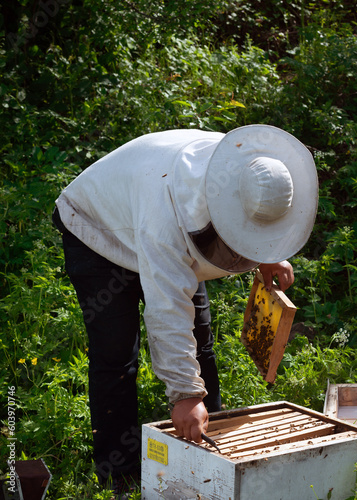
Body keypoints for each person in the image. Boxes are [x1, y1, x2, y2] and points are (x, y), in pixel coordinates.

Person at [52, 124, 318, 496]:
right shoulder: (168, 216)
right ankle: (120, 474)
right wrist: (184, 394)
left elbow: (255, 212)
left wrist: (269, 254)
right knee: (116, 354)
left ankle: (213, 443)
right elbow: (167, 309)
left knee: (200, 342)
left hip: (148, 213)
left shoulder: (244, 166)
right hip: (99, 229)